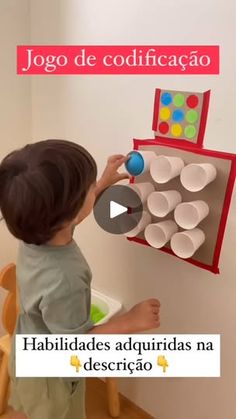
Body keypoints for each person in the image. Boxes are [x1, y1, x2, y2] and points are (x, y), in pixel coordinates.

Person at [0, 139, 160, 419]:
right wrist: (129, 321)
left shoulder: (33, 234)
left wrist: (101, 184)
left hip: (26, 354)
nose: (91, 191)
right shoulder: (66, 279)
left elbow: (68, 217)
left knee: (28, 408)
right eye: (88, 190)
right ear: (70, 212)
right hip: (53, 378)